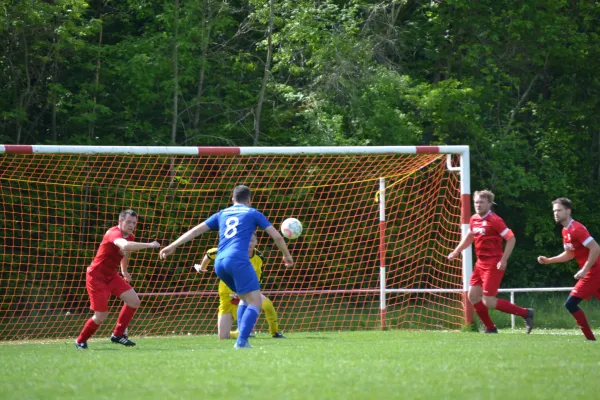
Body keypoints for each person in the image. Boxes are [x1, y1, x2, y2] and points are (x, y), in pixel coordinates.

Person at [160, 185, 293, 349]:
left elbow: (195, 231)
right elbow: (278, 237)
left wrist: (173, 245)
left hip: (219, 262)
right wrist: (286, 256)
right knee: (256, 302)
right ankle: (241, 342)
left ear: (232, 200)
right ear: (250, 201)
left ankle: (243, 339)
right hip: (238, 259)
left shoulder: (222, 213)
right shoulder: (252, 213)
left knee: (245, 298)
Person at [448, 190, 534, 333]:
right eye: (476, 202)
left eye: (481, 202)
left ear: (489, 204)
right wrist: (456, 251)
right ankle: (490, 328)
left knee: (488, 301)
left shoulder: (495, 220)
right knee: (473, 296)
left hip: (493, 264)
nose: (478, 205)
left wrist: (504, 259)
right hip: (480, 263)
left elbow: (511, 238)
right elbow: (470, 236)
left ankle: (526, 313)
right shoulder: (474, 219)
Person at [75, 209, 160, 349]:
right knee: (101, 316)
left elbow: (125, 252)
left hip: (111, 276)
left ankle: (118, 335)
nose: (131, 225)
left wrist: (124, 270)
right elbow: (125, 246)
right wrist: (150, 245)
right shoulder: (113, 233)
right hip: (96, 277)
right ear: (120, 222)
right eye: (128, 222)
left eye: (134, 223)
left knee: (134, 301)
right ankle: (80, 340)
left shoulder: (130, 236)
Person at [196, 232, 285, 340]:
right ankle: (243, 332)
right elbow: (210, 253)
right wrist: (202, 267)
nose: (249, 243)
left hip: (247, 293)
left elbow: (259, 277)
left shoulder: (258, 257)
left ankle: (275, 333)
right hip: (227, 295)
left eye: (252, 240)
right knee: (223, 337)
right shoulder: (230, 251)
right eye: (246, 240)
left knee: (267, 305)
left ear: (256, 242)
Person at [538, 197, 600, 341]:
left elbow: (595, 248)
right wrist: (549, 260)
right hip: (592, 271)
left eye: (559, 210)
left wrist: (584, 270)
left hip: (594, 272)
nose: (556, 213)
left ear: (568, 211)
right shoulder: (566, 231)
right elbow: (569, 254)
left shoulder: (576, 228)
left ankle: (590, 339)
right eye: (554, 211)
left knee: (570, 303)